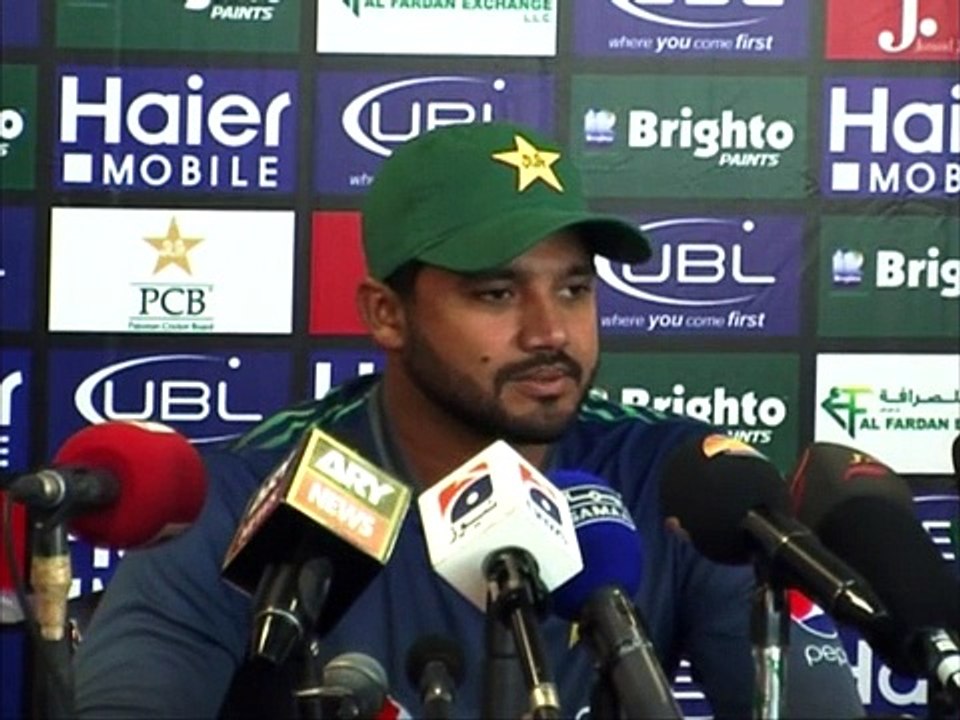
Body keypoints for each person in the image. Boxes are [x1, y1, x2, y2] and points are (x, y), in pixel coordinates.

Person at [73, 121, 865, 718]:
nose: (549, 332)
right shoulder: (242, 500)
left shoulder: (679, 480)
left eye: (574, 289)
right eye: (495, 293)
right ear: (386, 314)